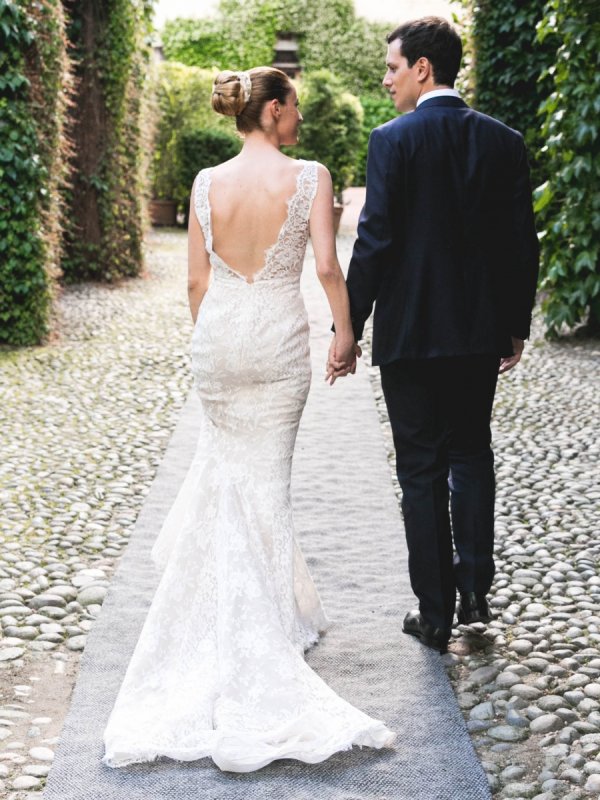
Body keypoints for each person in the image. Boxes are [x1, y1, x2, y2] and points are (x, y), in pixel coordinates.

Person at [102, 66, 393, 773]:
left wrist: (215, 340)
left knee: (227, 473)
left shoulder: (204, 183)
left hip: (221, 340)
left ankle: (230, 617)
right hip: (277, 340)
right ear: (271, 112)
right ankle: (258, 633)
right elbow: (327, 267)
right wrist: (345, 334)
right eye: (292, 106)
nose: (299, 117)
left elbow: (197, 282)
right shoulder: (311, 177)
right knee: (265, 484)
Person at [329, 17, 539, 654]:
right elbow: (520, 245)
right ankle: (475, 591)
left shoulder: (392, 140)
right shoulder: (504, 142)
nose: (386, 78)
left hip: (412, 336)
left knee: (420, 470)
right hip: (478, 334)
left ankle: (436, 612)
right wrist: (514, 326)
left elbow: (376, 242)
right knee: (472, 453)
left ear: (424, 68)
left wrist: (349, 327)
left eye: (392, 67)